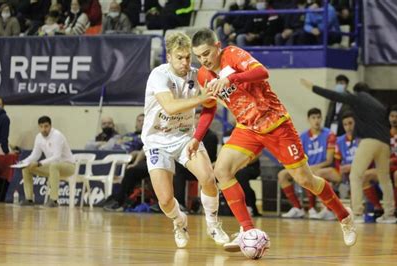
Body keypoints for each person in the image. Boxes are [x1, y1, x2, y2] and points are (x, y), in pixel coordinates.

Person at [191, 28, 356, 252]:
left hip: (275, 123)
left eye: (207, 53)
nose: (204, 60)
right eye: (199, 56)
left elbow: (262, 72)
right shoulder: (203, 75)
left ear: (218, 46)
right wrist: (196, 137)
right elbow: (209, 109)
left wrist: (231, 77)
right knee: (221, 170)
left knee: (305, 179)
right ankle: (247, 231)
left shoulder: (233, 54)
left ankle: (344, 216)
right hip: (247, 128)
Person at [141, 32, 229, 248]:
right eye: (179, 57)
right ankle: (179, 222)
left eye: (188, 57)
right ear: (169, 56)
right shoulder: (158, 75)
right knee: (165, 199)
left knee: (208, 178)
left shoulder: (197, 75)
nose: (185, 62)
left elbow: (212, 103)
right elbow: (170, 106)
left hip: (183, 137)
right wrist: (201, 98)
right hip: (157, 142)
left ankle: (212, 224)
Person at [300, 79, 395, 224]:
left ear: (356, 91)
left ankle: (357, 213)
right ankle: (389, 215)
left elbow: (333, 95)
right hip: (385, 143)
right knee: (385, 179)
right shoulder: (378, 105)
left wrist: (312, 87)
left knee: (355, 176)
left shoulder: (358, 98)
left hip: (369, 141)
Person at [278, 107, 338, 221]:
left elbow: (329, 160)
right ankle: (297, 208)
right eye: (313, 118)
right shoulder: (303, 137)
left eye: (318, 117)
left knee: (311, 173)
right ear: (308, 120)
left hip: (324, 168)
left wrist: (309, 168)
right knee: (282, 174)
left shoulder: (329, 135)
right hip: (308, 168)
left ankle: (313, 208)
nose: (316, 120)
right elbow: (298, 157)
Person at [19, 116, 75, 208]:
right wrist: (23, 162)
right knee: (26, 168)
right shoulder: (38, 137)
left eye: (46, 126)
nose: (43, 129)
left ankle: (54, 200)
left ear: (50, 126)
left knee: (54, 165)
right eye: (41, 127)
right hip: (52, 167)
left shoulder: (57, 135)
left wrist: (39, 163)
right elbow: (35, 155)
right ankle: (29, 199)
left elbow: (56, 157)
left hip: (68, 167)